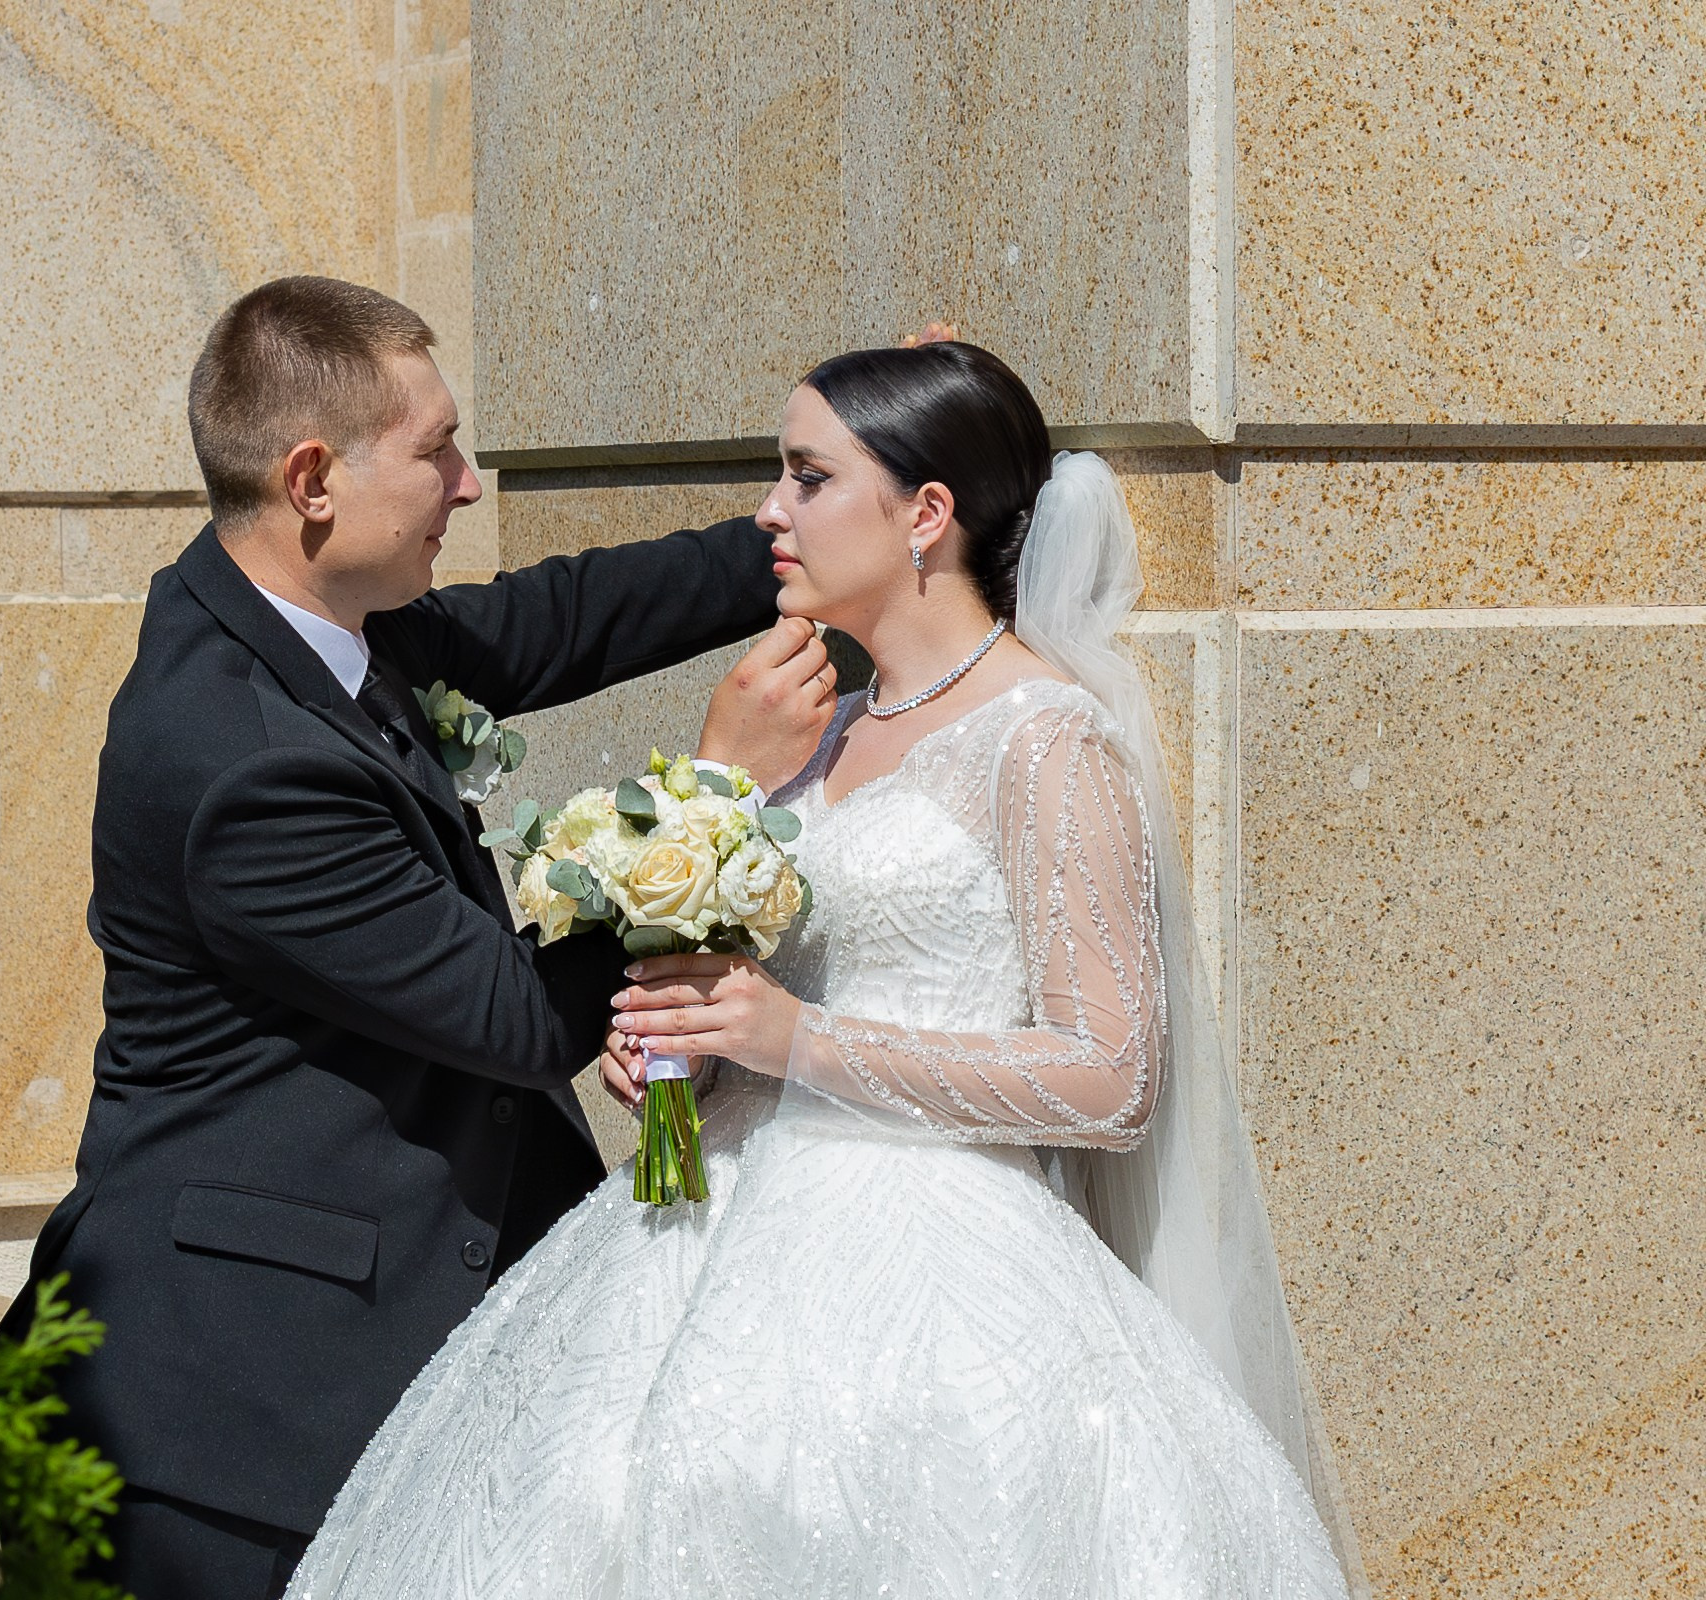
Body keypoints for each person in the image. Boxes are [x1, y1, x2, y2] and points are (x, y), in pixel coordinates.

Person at [284, 341, 1359, 1598]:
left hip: (935, 1285)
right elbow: (754, 1000)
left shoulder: (1045, 739)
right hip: (689, 1233)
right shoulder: (818, 731)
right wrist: (674, 1049)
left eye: (805, 478)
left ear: (927, 514)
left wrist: (793, 1039)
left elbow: (1110, 1075)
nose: (767, 514)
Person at [0, 275, 836, 1600]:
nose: (467, 484)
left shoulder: (312, 626)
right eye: (438, 449)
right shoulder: (241, 763)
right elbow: (517, 1019)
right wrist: (713, 789)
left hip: (316, 1363)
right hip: (231, 1420)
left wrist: (798, 531)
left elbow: (555, 619)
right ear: (315, 478)